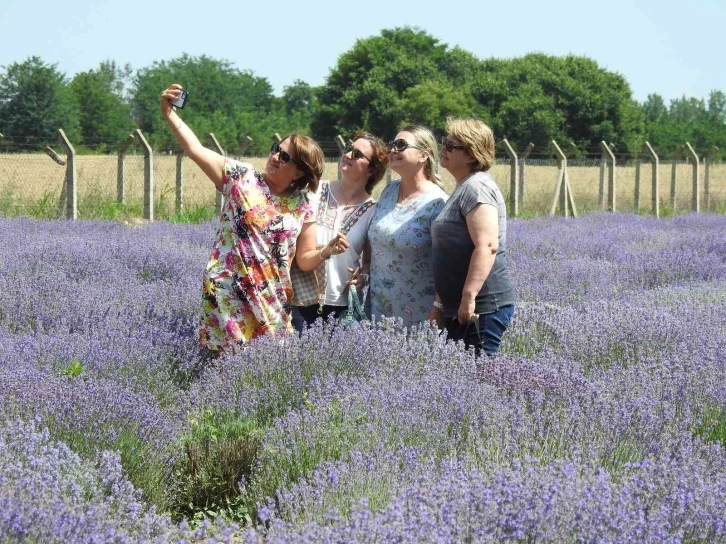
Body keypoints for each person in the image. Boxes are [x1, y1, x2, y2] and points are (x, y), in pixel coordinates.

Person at [160, 84, 349, 355]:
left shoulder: (304, 205)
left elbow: (305, 259)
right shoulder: (241, 177)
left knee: (271, 363)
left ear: (298, 172)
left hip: (272, 297)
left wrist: (326, 251)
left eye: (285, 157)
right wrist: (169, 113)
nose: (275, 157)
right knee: (228, 362)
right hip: (228, 291)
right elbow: (195, 149)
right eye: (276, 149)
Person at [431, 118, 516, 356]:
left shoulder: (476, 188)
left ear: (471, 154)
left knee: (480, 380)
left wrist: (469, 298)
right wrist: (441, 304)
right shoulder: (464, 187)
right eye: (444, 142)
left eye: (451, 145)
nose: (443, 149)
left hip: (483, 307)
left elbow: (487, 245)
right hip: (461, 307)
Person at [290, 132, 389, 332]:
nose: (349, 155)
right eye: (349, 149)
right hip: (302, 298)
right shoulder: (314, 192)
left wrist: (362, 276)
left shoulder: (373, 211)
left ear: (371, 170)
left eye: (358, 154)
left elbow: (369, 261)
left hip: (342, 305)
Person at [362, 125, 448, 328]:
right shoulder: (389, 191)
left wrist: (438, 309)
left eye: (401, 145)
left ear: (423, 155)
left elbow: (448, 265)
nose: (393, 150)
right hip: (378, 309)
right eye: (392, 144)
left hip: (419, 313)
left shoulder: (437, 203)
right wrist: (364, 270)